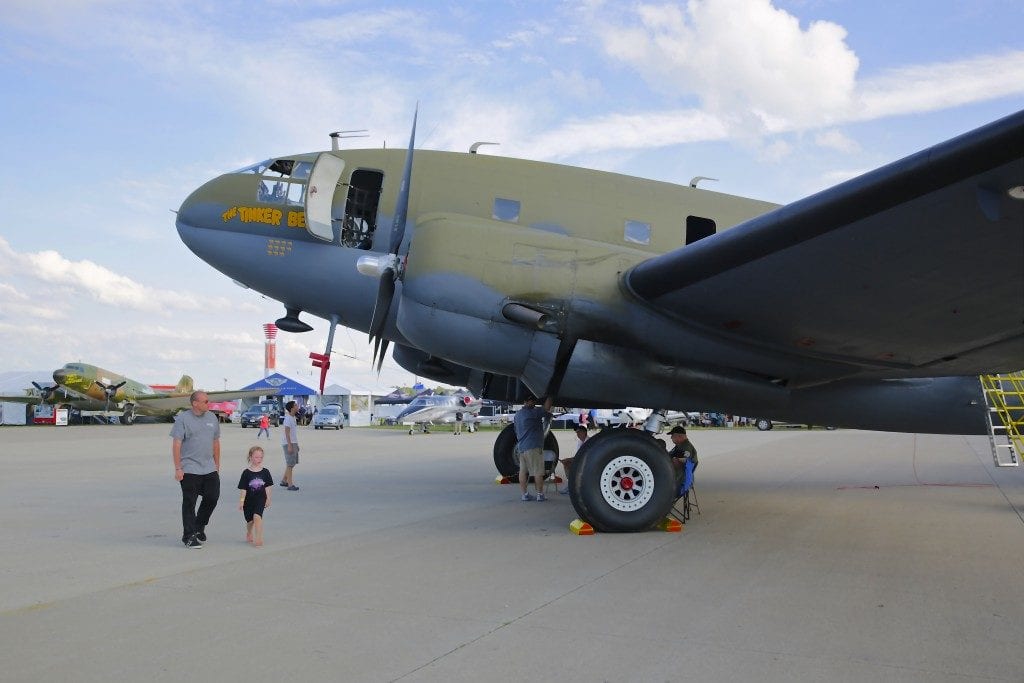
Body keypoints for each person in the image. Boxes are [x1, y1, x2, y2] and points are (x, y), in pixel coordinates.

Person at [170, 390, 221, 548]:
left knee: (212, 497)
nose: (208, 403)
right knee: (189, 503)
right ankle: (189, 536)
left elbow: (216, 442)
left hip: (209, 467)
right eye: (205, 401)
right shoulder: (183, 419)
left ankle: (199, 526)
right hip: (190, 468)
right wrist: (178, 468)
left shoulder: (212, 417)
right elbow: (177, 444)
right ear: (195, 404)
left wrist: (217, 465)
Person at [514, 395, 553, 501]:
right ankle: (540, 495)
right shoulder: (533, 413)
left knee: (523, 472)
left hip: (521, 447)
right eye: (531, 401)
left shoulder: (517, 415)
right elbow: (546, 408)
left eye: (534, 401)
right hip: (533, 447)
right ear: (526, 402)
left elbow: (515, 430)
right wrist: (552, 395)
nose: (534, 403)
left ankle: (524, 494)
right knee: (538, 472)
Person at [238, 445, 273, 547]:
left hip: (260, 499)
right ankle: (249, 532)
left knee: (257, 517)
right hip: (248, 501)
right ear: (250, 457)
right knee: (250, 521)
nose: (259, 459)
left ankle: (258, 538)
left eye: (261, 457)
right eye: (257, 457)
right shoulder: (246, 473)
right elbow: (243, 489)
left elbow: (268, 487)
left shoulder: (265, 472)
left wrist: (268, 498)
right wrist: (241, 501)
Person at [558, 425, 589, 494]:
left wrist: (568, 459)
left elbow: (582, 456)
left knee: (568, 463)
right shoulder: (580, 442)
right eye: (577, 433)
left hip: (587, 462)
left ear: (584, 432)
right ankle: (571, 484)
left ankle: (571, 486)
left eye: (579, 432)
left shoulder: (588, 442)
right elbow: (578, 456)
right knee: (567, 464)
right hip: (582, 461)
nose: (577, 435)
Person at [666, 425, 698, 493]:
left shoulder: (686, 447)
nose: (671, 438)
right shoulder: (680, 445)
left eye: (673, 436)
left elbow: (685, 460)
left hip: (680, 479)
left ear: (680, 436)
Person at [280, 400, 300, 491]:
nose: (297, 406)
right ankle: (290, 484)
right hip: (288, 443)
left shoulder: (293, 418)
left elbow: (293, 433)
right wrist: (289, 445)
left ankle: (284, 480)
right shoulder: (288, 418)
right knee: (290, 464)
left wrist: (296, 444)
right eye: (296, 405)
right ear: (292, 408)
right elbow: (287, 433)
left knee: (292, 463)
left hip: (293, 442)